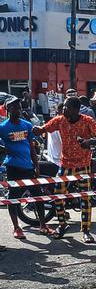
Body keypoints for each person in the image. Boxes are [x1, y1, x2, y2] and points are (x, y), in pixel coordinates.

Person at [33, 97, 96, 243]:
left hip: (83, 166)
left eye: (66, 107)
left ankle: (86, 231)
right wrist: (36, 129)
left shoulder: (87, 121)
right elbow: (43, 129)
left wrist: (89, 142)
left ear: (75, 109)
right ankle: (62, 225)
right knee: (58, 196)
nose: (63, 109)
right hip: (65, 165)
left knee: (85, 198)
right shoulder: (59, 120)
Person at [0, 96, 54, 238]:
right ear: (8, 109)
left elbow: (31, 147)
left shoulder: (27, 125)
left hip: (28, 167)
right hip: (13, 168)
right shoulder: (3, 127)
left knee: (38, 196)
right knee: (13, 198)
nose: (18, 110)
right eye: (14, 107)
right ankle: (17, 227)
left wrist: (36, 165)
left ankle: (43, 225)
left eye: (19, 107)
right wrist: (3, 149)